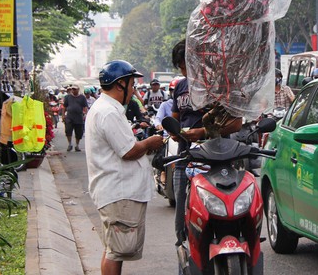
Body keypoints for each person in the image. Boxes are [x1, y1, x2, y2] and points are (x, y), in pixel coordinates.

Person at [85, 60, 165, 275]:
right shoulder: (108, 112)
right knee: (116, 251)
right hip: (118, 192)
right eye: (132, 84)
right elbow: (128, 151)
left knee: (113, 249)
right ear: (120, 84)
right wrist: (150, 143)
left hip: (116, 191)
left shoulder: (108, 109)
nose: (133, 89)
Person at [170, 40, 242, 268]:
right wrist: (175, 131)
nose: (185, 71)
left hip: (217, 160)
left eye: (187, 65)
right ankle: (186, 263)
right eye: (181, 67)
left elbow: (236, 123)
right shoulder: (180, 87)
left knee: (229, 211)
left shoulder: (218, 87)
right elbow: (175, 117)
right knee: (182, 222)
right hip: (186, 159)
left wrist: (202, 131)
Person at [63, 84, 89, 152]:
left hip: (79, 117)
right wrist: (63, 115)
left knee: (79, 132)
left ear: (78, 90)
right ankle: (69, 144)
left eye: (75, 89)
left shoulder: (82, 97)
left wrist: (85, 114)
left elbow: (85, 106)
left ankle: (77, 145)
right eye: (72, 89)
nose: (73, 90)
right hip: (69, 117)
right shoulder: (67, 97)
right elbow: (64, 107)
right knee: (68, 131)